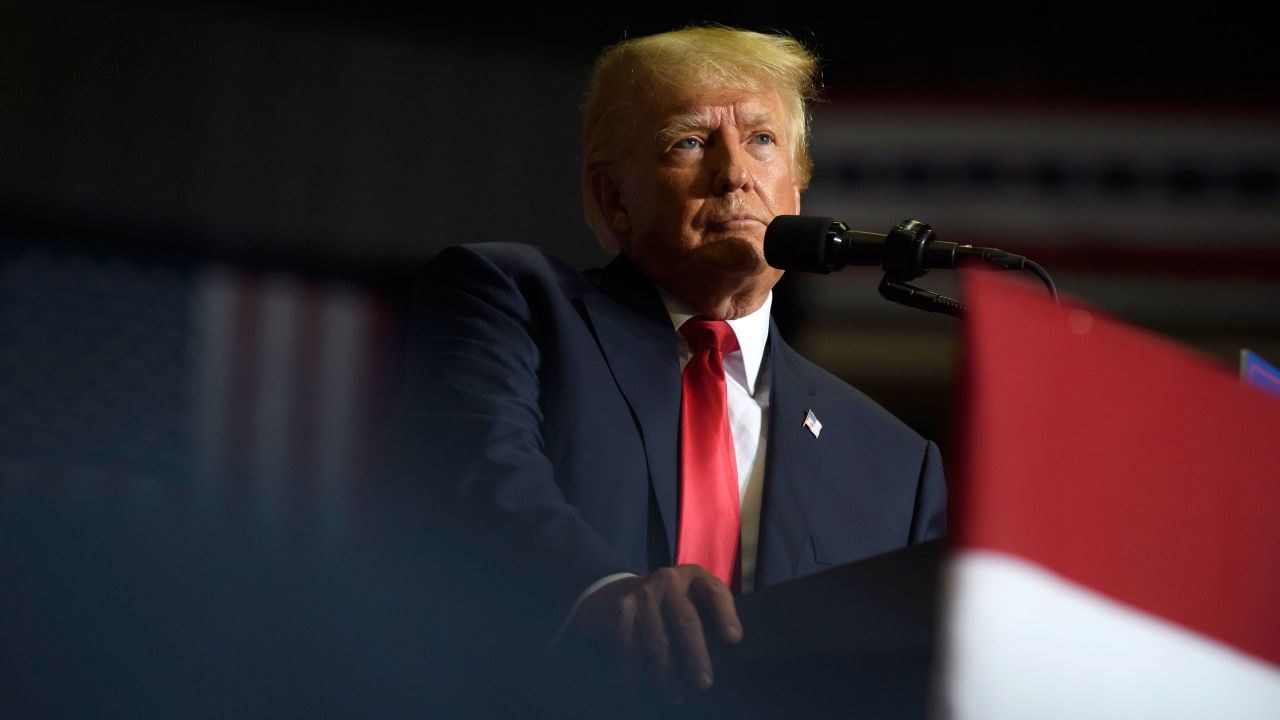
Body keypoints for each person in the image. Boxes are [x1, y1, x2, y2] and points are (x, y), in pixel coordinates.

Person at [396, 25, 946, 714]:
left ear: (797, 191)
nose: (735, 172)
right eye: (689, 142)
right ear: (615, 200)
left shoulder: (896, 465)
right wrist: (602, 594)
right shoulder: (514, 304)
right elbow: (479, 475)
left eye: (762, 140)